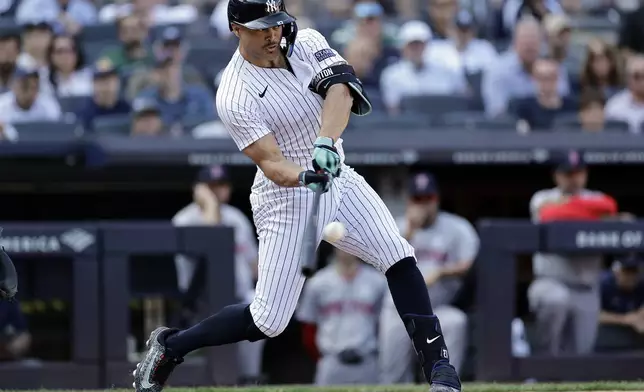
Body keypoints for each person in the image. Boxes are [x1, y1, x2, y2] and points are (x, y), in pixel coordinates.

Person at [132, 1, 462, 392]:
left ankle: (440, 369)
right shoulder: (234, 93)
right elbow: (271, 163)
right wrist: (307, 174)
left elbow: (340, 89)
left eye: (276, 24)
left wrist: (325, 142)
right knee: (268, 321)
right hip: (284, 199)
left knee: (399, 254)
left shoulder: (305, 41)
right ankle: (171, 346)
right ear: (236, 28)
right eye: (260, 27)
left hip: (337, 174)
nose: (273, 34)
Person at [171, 165, 264, 384]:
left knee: (261, 310)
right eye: (210, 186)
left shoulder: (236, 217)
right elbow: (211, 241)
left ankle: (249, 379)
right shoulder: (185, 219)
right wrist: (210, 205)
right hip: (201, 303)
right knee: (209, 359)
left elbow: (253, 262)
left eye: (221, 185)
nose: (217, 191)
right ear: (198, 189)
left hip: (239, 295)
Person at [380, 173, 477, 383]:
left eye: (428, 199)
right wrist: (410, 231)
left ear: (437, 199)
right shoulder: (394, 226)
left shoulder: (457, 227)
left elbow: (468, 264)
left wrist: (442, 272)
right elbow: (379, 259)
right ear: (409, 201)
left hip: (438, 308)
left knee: (456, 322)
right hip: (397, 310)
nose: (423, 205)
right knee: (392, 375)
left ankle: (445, 384)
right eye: (418, 199)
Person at [528, 150, 618, 355]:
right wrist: (591, 213)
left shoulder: (597, 197)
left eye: (578, 173)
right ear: (556, 175)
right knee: (555, 301)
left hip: (586, 287)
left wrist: (578, 208)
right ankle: (541, 374)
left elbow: (609, 205)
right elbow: (549, 213)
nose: (574, 179)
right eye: (568, 173)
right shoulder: (542, 197)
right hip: (551, 282)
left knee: (581, 355)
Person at [296, 249, 386, 385]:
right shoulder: (318, 282)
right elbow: (308, 328)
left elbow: (384, 324)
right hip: (331, 361)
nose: (346, 248)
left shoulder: (377, 281)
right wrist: (321, 357)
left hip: (367, 360)